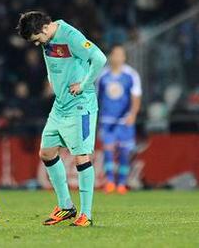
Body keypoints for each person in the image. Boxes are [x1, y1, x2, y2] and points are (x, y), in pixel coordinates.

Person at [16, 11, 107, 227]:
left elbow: (99, 58)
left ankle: (85, 214)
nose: (38, 45)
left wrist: (83, 84)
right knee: (46, 152)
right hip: (60, 105)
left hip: (80, 104)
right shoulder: (48, 36)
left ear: (45, 29)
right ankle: (66, 206)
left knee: (81, 158)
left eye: (37, 40)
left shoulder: (70, 36)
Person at [98, 44, 142, 194]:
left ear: (124, 57)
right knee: (108, 151)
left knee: (124, 152)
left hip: (124, 121)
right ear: (111, 56)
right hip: (107, 120)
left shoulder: (131, 75)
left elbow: (136, 96)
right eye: (115, 54)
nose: (117, 57)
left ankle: (122, 183)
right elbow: (97, 97)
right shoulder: (102, 76)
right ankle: (110, 182)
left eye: (120, 54)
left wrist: (133, 114)